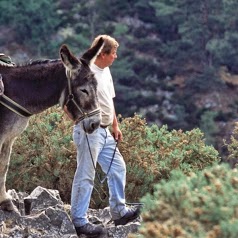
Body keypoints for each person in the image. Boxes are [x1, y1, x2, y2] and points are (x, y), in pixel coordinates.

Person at [70, 35, 140, 237]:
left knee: (118, 167)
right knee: (86, 175)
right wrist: (78, 120)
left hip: (105, 131)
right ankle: (79, 221)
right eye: (113, 53)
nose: (116, 57)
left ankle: (119, 212)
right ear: (102, 54)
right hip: (89, 131)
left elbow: (109, 100)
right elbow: (68, 102)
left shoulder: (106, 70)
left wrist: (115, 126)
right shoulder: (85, 72)